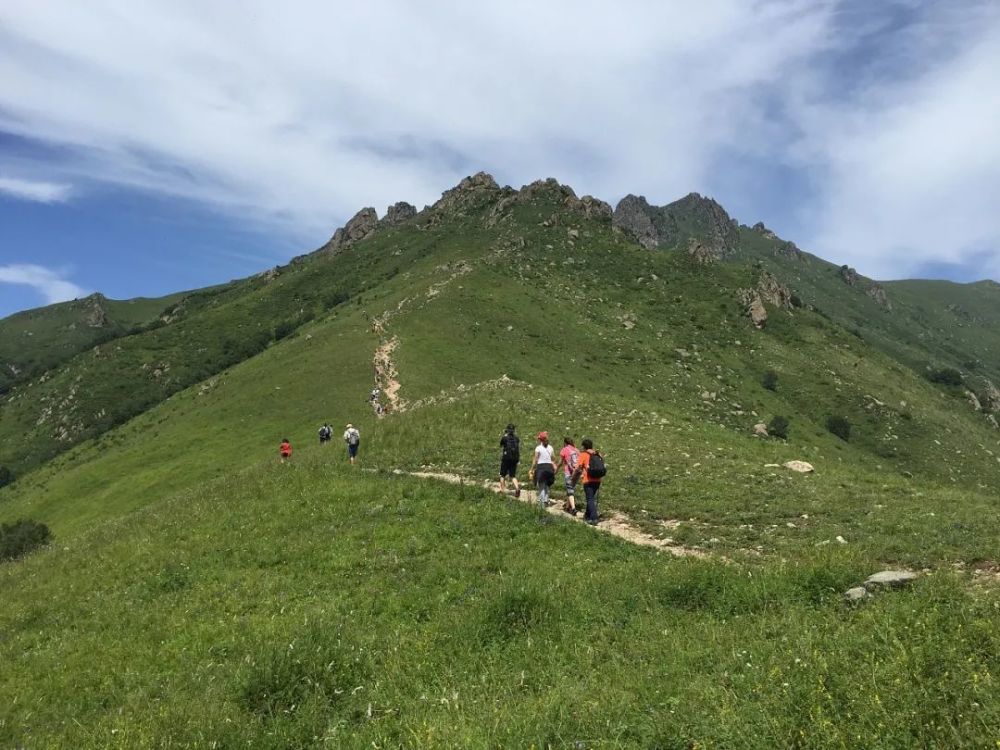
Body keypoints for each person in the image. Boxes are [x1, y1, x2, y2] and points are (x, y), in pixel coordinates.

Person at [573, 438, 605, 525]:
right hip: (597, 480)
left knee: (590, 499)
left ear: (584, 446)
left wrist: (574, 477)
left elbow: (578, 468)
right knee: (590, 498)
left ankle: (594, 518)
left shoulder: (583, 454)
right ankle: (587, 515)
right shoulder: (597, 454)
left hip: (588, 480)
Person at [530, 431, 556, 509]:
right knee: (547, 485)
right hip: (549, 467)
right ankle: (546, 500)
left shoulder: (538, 448)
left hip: (541, 467)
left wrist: (532, 469)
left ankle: (541, 505)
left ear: (540, 440)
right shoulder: (551, 447)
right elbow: (553, 458)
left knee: (541, 486)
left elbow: (535, 459)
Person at [555, 436, 579, 515]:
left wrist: (556, 470)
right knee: (571, 489)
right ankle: (567, 506)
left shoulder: (564, 450)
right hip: (576, 473)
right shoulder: (576, 450)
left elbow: (560, 462)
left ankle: (573, 508)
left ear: (565, 443)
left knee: (570, 491)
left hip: (568, 472)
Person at [498, 423, 521, 498]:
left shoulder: (505, 438)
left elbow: (501, 445)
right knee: (513, 476)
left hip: (506, 458)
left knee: (502, 474)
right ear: (514, 430)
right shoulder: (516, 438)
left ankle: (502, 490)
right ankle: (517, 488)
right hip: (514, 459)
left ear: (507, 430)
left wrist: (504, 435)